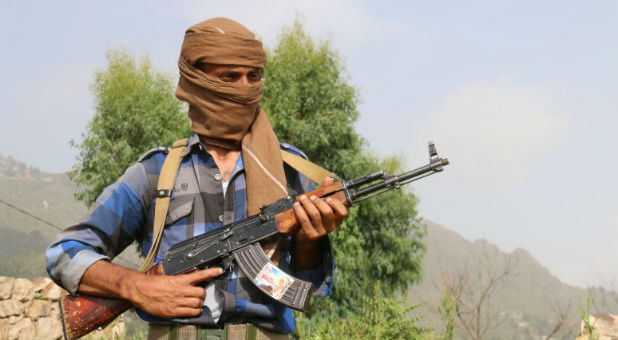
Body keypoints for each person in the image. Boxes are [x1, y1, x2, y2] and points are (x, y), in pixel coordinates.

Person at [45, 17, 347, 340]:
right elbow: (64, 251)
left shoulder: (290, 169)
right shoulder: (157, 173)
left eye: (254, 76)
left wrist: (309, 240)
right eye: (230, 77)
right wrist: (138, 287)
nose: (245, 89)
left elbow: (309, 285)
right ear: (197, 82)